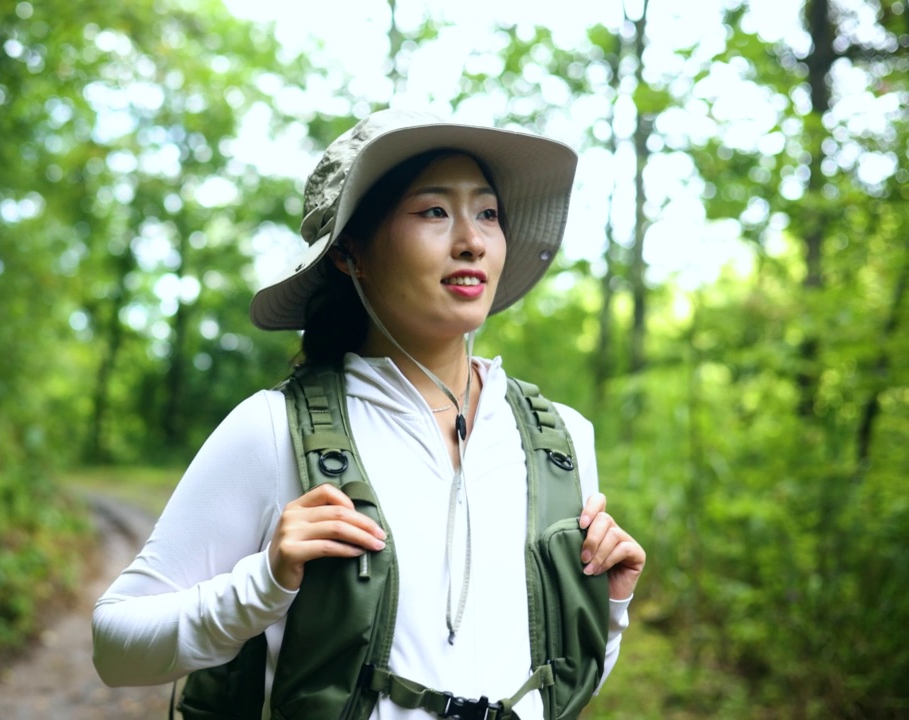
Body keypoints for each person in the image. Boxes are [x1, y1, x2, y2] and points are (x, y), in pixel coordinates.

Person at [92, 108, 646, 719]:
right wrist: (263, 583)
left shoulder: (560, 439)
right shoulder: (273, 431)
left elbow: (560, 691)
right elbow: (115, 647)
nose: (472, 240)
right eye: (434, 211)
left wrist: (608, 608)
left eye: (487, 213)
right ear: (349, 253)